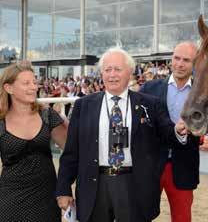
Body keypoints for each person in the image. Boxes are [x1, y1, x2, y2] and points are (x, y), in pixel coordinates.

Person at [55, 48, 189, 222]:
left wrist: (178, 131)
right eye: (107, 70)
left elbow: (168, 135)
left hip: (134, 185)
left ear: (130, 73)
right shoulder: (83, 106)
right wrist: (64, 188)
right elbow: (71, 152)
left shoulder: (150, 105)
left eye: (117, 69)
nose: (112, 75)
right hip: (95, 185)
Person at [140, 42, 202, 222]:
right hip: (151, 164)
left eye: (186, 60)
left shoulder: (202, 93)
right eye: (176, 58)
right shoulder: (149, 89)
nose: (180, 64)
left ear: (195, 64)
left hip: (184, 165)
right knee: (142, 214)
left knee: (182, 218)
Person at [0, 60, 68, 222]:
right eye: (26, 83)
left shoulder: (48, 116)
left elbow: (71, 151)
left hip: (47, 196)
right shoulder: (1, 121)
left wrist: (66, 189)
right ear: (8, 88)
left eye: (34, 82)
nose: (33, 87)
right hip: (11, 198)